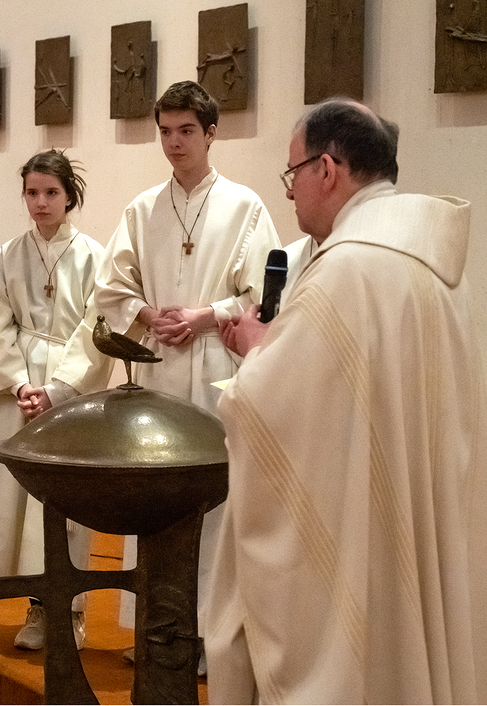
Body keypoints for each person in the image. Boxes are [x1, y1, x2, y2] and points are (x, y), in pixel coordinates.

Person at [207, 99, 487, 703]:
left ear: (327, 170)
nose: (289, 193)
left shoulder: (346, 272)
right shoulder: (437, 265)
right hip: (422, 509)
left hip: (365, 530)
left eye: (293, 174)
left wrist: (256, 348)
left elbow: (269, 412)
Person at [95, 80, 280, 663]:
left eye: (186, 131)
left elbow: (264, 294)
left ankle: (206, 637)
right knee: (154, 499)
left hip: (215, 368)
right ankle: (154, 627)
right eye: (166, 132)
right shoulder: (142, 208)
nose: (174, 143)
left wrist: (205, 316)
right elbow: (110, 286)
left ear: (211, 133)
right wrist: (148, 314)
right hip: (156, 369)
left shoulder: (245, 206)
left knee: (213, 506)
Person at [0, 150, 113, 651]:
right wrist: (19, 385)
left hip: (71, 391)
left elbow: (96, 329)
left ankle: (69, 611)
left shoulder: (94, 255)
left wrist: (57, 390)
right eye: (32, 192)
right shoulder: (9, 254)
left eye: (51, 192)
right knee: (18, 501)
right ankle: (35, 606)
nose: (40, 202)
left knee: (67, 503)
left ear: (69, 196)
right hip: (20, 391)